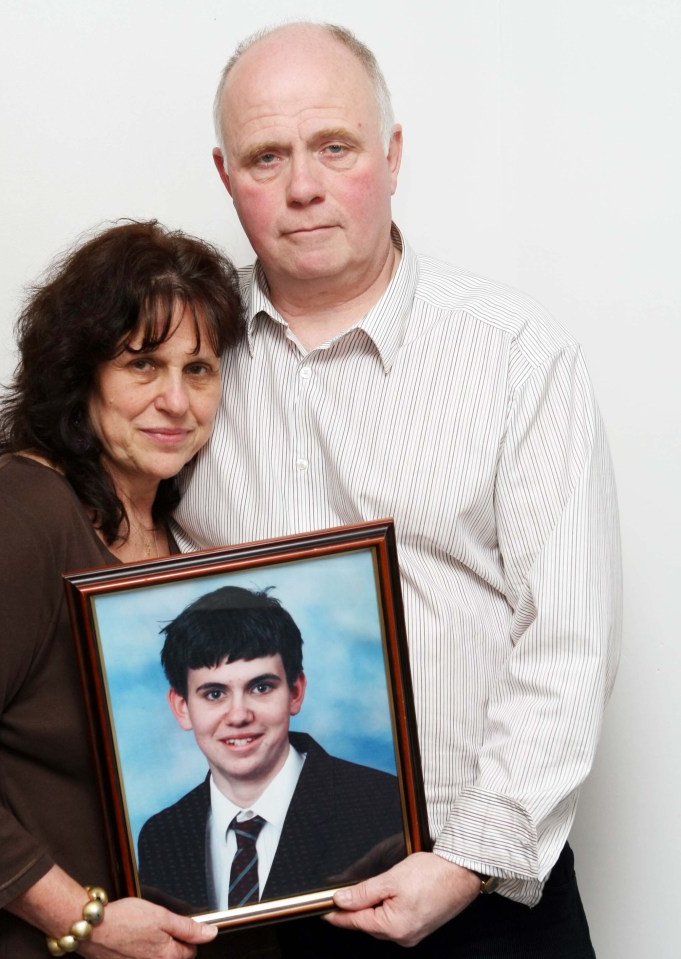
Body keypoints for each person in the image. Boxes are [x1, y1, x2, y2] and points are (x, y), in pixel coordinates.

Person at [171, 20, 622, 959]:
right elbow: (70, 546)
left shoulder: (513, 356)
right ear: (224, 176)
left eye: (333, 146)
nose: (303, 185)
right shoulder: (177, 370)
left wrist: (462, 863)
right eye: (266, 156)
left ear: (392, 152)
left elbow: (568, 644)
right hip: (255, 904)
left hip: (482, 894)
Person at [0, 220, 243, 959]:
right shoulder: (16, 518)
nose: (176, 400)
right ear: (79, 373)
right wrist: (84, 919)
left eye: (198, 369)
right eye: (142, 364)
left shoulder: (171, 526)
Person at [137, 586, 404, 914]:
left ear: (295, 692)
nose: (238, 715)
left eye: (260, 687)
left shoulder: (382, 804)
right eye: (214, 694)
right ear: (181, 707)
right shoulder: (161, 836)